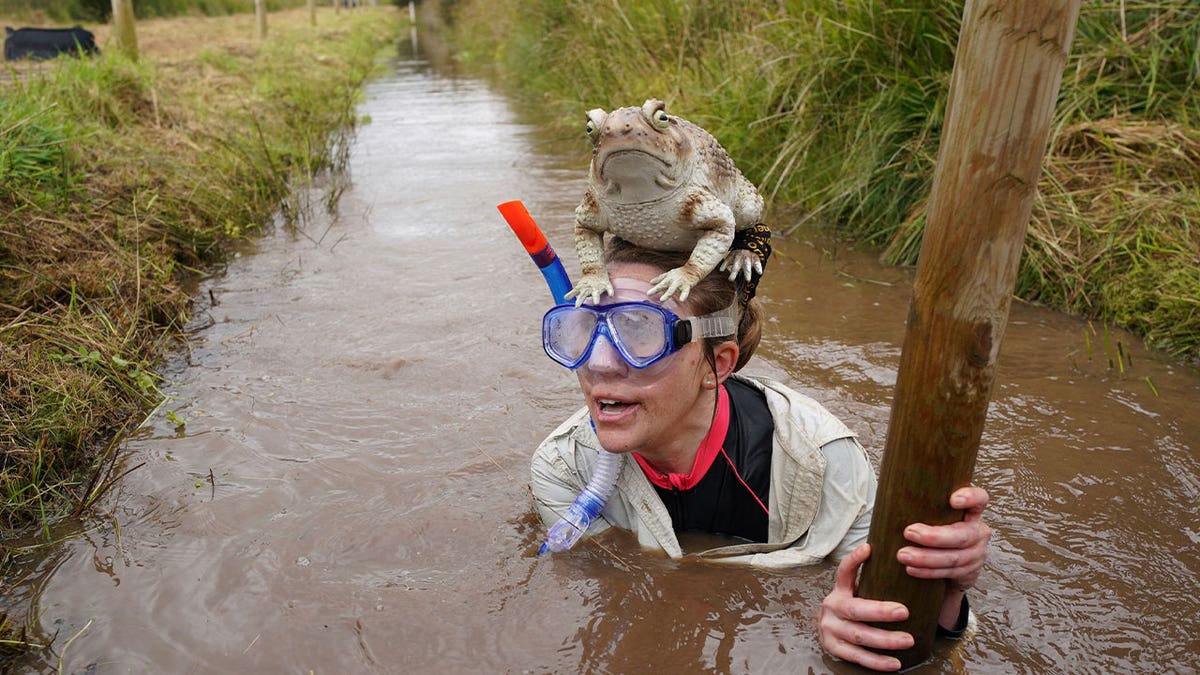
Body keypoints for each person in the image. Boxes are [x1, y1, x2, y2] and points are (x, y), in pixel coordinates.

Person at [530, 237, 992, 672]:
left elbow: (901, 627)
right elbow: (618, 594)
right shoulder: (564, 468)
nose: (600, 362)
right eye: (585, 327)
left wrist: (943, 593)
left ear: (719, 364)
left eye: (640, 332)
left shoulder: (824, 461)